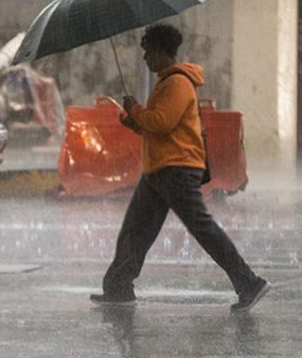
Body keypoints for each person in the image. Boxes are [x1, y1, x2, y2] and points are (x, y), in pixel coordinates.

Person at [92, 23, 269, 313]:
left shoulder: (177, 83)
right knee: (134, 231)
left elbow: (161, 122)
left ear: (162, 52)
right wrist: (134, 122)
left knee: (203, 229)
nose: (146, 58)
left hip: (176, 170)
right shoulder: (167, 82)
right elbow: (159, 130)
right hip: (159, 169)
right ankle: (118, 288)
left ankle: (249, 283)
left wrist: (136, 110)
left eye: (148, 52)